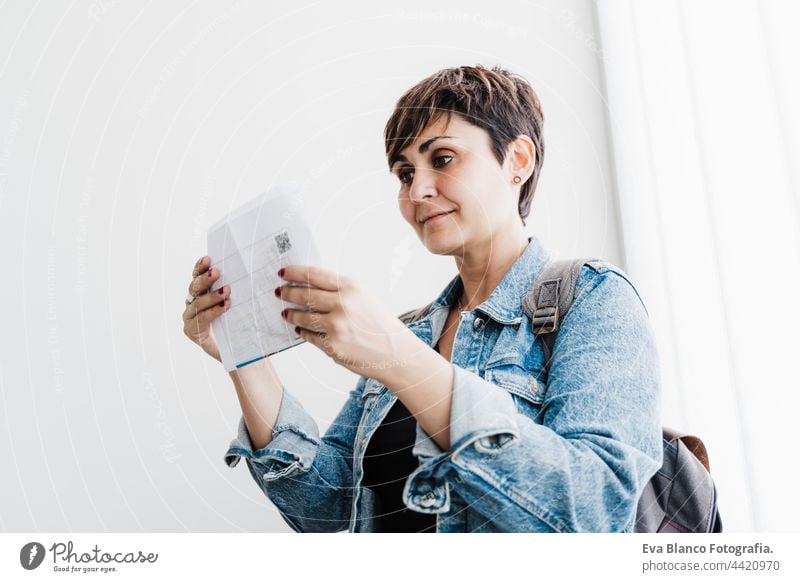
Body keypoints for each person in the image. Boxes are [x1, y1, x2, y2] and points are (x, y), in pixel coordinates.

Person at [182, 64, 662, 533]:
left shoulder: (594, 299)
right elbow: (326, 509)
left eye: (443, 159)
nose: (418, 190)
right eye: (404, 174)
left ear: (518, 160)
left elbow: (596, 512)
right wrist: (243, 356)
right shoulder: (410, 331)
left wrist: (399, 358)